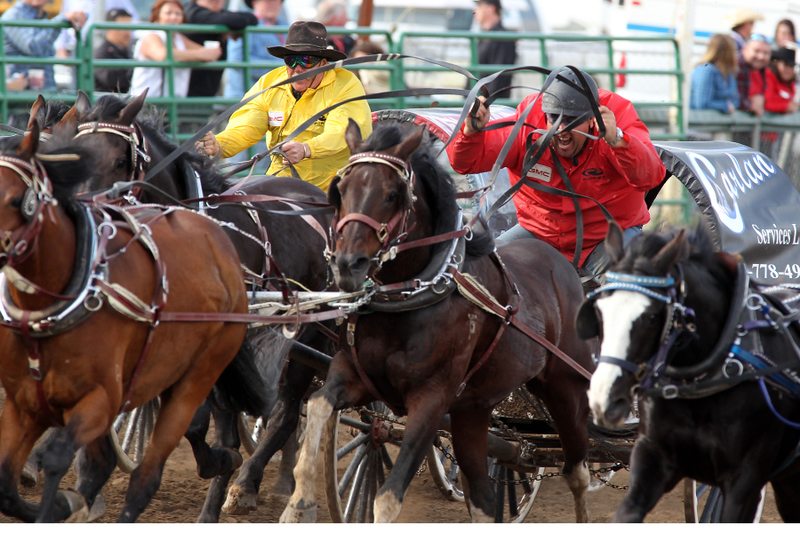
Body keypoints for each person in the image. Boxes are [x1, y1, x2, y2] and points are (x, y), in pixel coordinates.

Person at [446, 66, 666, 277]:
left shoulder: (618, 118)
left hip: (606, 238)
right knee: (486, 271)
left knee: (631, 286)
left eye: (571, 119)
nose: (561, 129)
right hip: (540, 234)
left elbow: (651, 176)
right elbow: (466, 163)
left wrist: (617, 139)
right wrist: (471, 133)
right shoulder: (528, 122)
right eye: (554, 117)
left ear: (592, 119)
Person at [195, 21, 373, 192]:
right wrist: (219, 144)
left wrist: (307, 149)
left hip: (333, 188)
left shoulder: (346, 85)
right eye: (291, 60)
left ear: (324, 63)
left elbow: (342, 132)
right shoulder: (270, 82)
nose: (297, 68)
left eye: (306, 60)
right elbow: (247, 124)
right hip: (280, 183)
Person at [129, 0, 222, 98]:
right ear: (157, 16)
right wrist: (199, 55)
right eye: (168, 13)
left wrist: (192, 54)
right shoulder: (151, 36)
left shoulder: (179, 38)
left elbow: (213, 53)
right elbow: (163, 55)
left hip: (174, 104)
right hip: (146, 103)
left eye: (178, 14)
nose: (173, 17)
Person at [0, 0, 87, 91]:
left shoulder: (41, 18)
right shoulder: (12, 16)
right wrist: (61, 20)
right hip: (21, 96)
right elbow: (33, 47)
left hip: (39, 94)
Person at [184, 0, 258, 97]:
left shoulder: (219, 14)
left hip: (207, 91)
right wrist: (229, 25)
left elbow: (252, 19)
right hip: (183, 92)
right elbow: (222, 19)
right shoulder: (189, 12)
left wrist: (229, 24)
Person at [224, 0, 288, 100]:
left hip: (274, 97)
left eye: (277, 1)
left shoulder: (285, 25)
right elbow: (236, 60)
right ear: (254, 3)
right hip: (245, 97)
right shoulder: (245, 24)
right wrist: (283, 67)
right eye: (267, 1)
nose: (272, 4)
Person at [469, 0, 517, 99]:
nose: (475, 10)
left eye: (479, 5)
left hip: (491, 106)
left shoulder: (503, 38)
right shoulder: (484, 37)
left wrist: (484, 102)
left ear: (491, 8)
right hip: (478, 102)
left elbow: (499, 78)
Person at [690, 34, 739, 114]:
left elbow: (736, 100)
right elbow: (701, 103)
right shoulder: (706, 70)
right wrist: (725, 106)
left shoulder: (729, 73)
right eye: (734, 51)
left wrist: (729, 105)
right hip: (701, 123)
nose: (736, 55)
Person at [93, 8, 134, 93]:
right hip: (107, 103)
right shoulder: (101, 53)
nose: (127, 32)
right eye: (123, 27)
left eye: (129, 27)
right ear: (110, 27)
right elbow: (112, 81)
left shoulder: (127, 51)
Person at [737, 34, 772, 116]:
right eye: (756, 51)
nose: (761, 57)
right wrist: (750, 104)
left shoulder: (763, 72)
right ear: (745, 49)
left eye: (766, 53)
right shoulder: (735, 67)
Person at [763, 47, 797, 114]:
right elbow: (765, 103)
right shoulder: (768, 76)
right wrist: (786, 106)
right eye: (785, 65)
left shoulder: (790, 83)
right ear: (776, 63)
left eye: (792, 66)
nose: (789, 69)